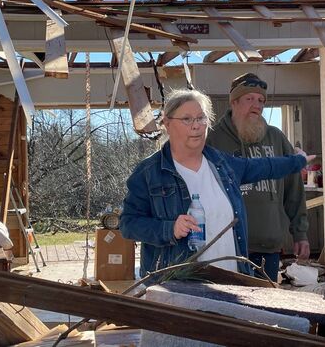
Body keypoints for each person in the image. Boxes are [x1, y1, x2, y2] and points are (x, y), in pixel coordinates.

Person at [120, 88, 313, 279]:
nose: (196, 126)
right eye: (187, 119)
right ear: (167, 123)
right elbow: (128, 224)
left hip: (230, 281)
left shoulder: (223, 165)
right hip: (176, 285)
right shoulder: (148, 173)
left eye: (201, 118)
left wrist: (298, 161)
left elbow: (264, 166)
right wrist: (169, 229)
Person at [207, 73, 310, 281]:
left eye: (261, 100)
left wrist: (300, 233)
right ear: (234, 102)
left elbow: (294, 188)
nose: (257, 105)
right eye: (249, 99)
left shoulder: (276, 137)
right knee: (228, 309)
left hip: (268, 246)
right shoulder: (213, 139)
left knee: (264, 310)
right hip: (226, 247)